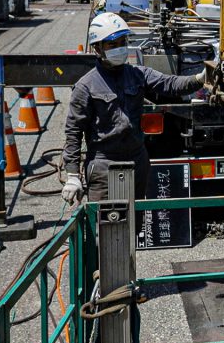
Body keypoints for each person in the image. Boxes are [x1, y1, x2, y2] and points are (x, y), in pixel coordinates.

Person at [62, 12, 207, 204]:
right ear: (97, 48)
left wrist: (199, 79)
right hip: (103, 165)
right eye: (112, 44)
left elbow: (170, 84)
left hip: (137, 161)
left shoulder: (137, 74)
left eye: (123, 42)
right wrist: (73, 175)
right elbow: (73, 131)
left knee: (136, 217)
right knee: (107, 219)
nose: (120, 48)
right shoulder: (85, 86)